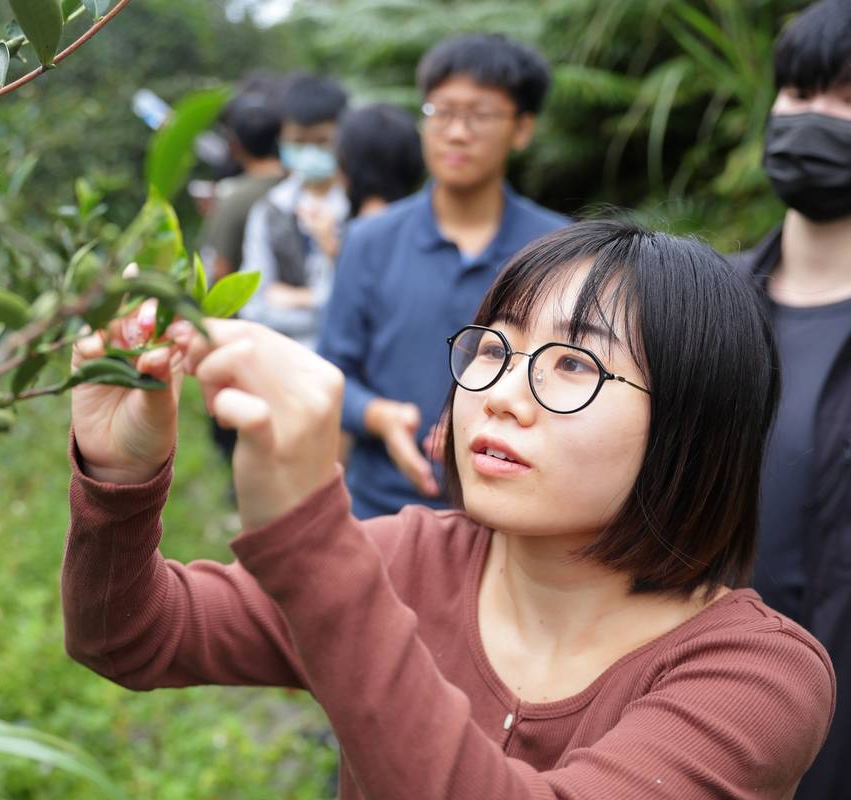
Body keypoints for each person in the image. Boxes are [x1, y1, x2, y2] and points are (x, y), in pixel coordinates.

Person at [63, 220, 834, 799]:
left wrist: (309, 537)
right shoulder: (406, 560)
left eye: (573, 363)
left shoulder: (756, 678)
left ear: (694, 424)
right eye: (493, 349)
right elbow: (130, 634)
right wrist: (119, 472)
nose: (498, 394)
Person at [319, 34, 569, 519]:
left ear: (522, 129)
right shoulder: (371, 240)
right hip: (385, 509)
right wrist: (382, 416)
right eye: (441, 113)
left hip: (513, 516)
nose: (456, 133)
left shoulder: (558, 250)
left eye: (479, 115)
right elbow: (333, 371)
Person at [731, 2, 851, 797]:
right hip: (707, 722)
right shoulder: (700, 310)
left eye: (846, 98)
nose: (813, 118)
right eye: (799, 93)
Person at [240, 73, 349, 349]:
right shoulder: (269, 209)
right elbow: (253, 308)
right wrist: (326, 301)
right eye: (299, 142)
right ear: (283, 139)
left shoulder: (360, 208)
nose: (310, 151)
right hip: (286, 363)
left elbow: (366, 310)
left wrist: (303, 297)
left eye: (322, 141)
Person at [198, 87, 288, 283]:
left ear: (234, 145)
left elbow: (220, 269)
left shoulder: (233, 198)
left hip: (247, 309)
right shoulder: (299, 186)